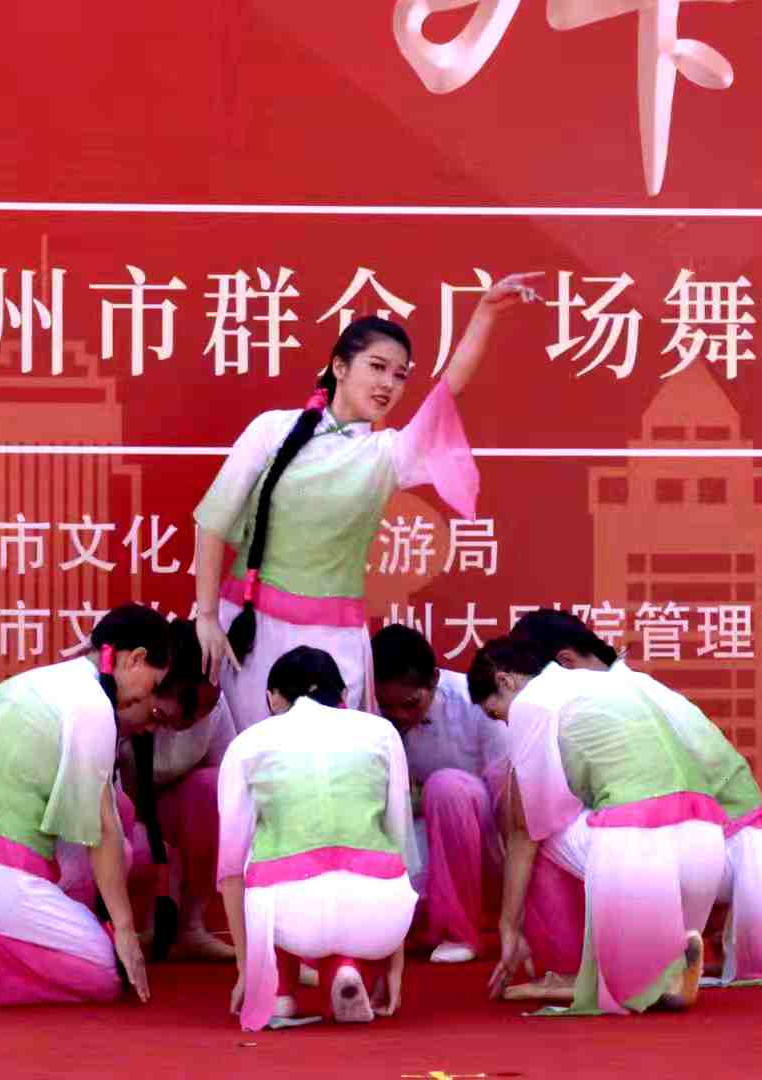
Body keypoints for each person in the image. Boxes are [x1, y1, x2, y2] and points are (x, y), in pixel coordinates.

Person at [191, 274, 543, 731]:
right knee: (249, 755)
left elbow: (449, 389)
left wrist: (486, 312)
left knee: (329, 760)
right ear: (339, 366)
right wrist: (207, 617)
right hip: (247, 632)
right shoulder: (271, 429)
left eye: (399, 375)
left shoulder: (388, 454)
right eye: (377, 367)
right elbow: (214, 519)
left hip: (333, 639)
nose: (388, 384)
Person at [0, 605, 175, 1009]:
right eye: (154, 682)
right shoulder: (92, 707)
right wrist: (126, 933)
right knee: (101, 970)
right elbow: (103, 831)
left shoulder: (35, 681)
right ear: (136, 659)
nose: (148, 696)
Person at [510, 609, 762, 987]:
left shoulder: (592, 696)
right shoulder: (641, 687)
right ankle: (667, 950)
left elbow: (543, 812)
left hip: (690, 850)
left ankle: (570, 969)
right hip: (729, 854)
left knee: (538, 828)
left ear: (564, 662)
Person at [469, 636, 724, 1015]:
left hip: (644, 850)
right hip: (707, 848)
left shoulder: (531, 703)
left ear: (505, 681)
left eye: (496, 714)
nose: (505, 723)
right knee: (570, 816)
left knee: (536, 826)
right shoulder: (608, 684)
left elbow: (525, 829)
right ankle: (662, 963)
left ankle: (571, 972)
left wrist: (509, 925)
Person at [217, 646, 419, 1030]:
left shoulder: (248, 744)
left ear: (273, 698)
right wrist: (395, 961)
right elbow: (399, 839)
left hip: (287, 907)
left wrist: (246, 969)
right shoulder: (382, 733)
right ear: (343, 695)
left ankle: (278, 992)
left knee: (257, 856)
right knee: (370, 858)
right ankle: (347, 967)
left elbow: (229, 870)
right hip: (379, 908)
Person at [370, 623, 509, 963]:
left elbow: (508, 796)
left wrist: (520, 897)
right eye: (388, 707)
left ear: (433, 679)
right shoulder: (368, 714)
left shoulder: (477, 703)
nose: (399, 715)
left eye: (410, 704)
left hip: (490, 843)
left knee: (446, 787)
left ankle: (459, 931)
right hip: (420, 830)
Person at [113, 618, 238, 961]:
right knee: (127, 829)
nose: (199, 717)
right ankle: (123, 926)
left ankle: (190, 927)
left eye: (209, 706)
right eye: (192, 705)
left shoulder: (212, 709)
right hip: (120, 821)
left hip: (169, 813)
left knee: (214, 789)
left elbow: (231, 781)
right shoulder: (122, 704)